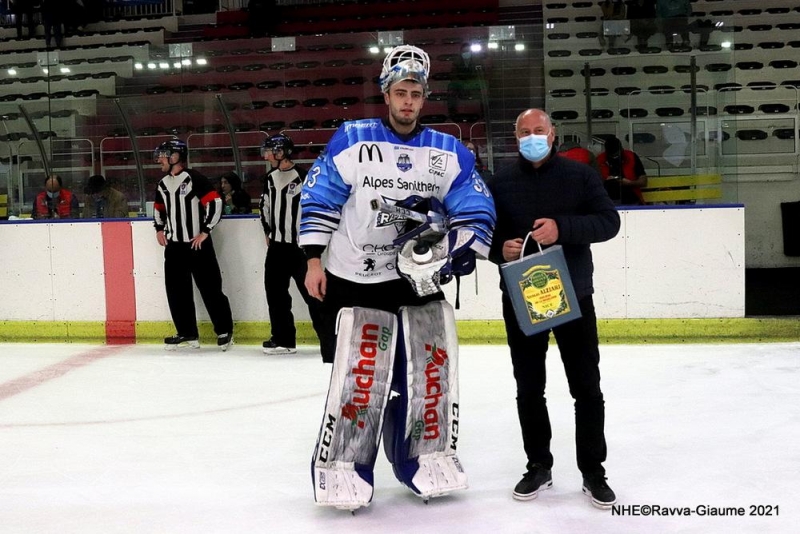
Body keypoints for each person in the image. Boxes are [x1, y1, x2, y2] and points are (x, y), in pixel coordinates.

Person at [300, 45, 495, 509]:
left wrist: (461, 249)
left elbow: (474, 205)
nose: (408, 101)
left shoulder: (447, 151)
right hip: (352, 276)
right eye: (400, 92)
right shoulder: (353, 139)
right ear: (386, 93)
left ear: (424, 98)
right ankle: (346, 464)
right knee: (360, 373)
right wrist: (312, 259)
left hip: (417, 278)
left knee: (427, 371)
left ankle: (421, 457)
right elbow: (321, 195)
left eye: (416, 93)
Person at [486, 109, 620, 509]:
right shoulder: (500, 182)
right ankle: (538, 466)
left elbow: (608, 222)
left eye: (538, 131)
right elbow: (483, 233)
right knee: (529, 389)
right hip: (522, 300)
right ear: (515, 136)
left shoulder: (580, 176)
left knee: (586, 389)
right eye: (524, 131)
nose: (532, 137)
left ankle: (593, 472)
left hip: (574, 298)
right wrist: (499, 250)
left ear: (552, 133)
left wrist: (563, 228)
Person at [153, 139, 234, 351]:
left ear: (175, 156)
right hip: (175, 247)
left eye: (163, 154)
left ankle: (224, 331)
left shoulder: (194, 179)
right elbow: (158, 209)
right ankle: (187, 333)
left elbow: (215, 203)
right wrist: (159, 229)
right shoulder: (162, 183)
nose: (158, 159)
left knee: (210, 288)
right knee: (177, 291)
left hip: (197, 246)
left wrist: (205, 231)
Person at [258, 133, 324, 355]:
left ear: (282, 153)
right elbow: (264, 207)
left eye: (270, 151)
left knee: (313, 295)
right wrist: (268, 231)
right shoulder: (269, 178)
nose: (266, 155)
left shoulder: (304, 178)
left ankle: (329, 340)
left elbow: (314, 211)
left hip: (300, 249)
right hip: (277, 248)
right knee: (275, 294)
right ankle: (283, 339)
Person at [596, 135, 648, 205]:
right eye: (612, 155)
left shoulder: (631, 157)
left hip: (631, 198)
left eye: (617, 155)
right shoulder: (600, 159)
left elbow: (643, 182)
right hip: (607, 199)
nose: (615, 157)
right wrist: (605, 181)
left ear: (621, 149)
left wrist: (630, 183)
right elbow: (593, 182)